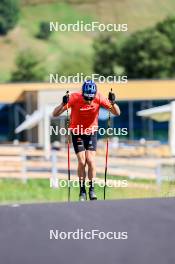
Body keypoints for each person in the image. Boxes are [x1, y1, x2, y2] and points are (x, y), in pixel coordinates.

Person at [53, 80, 120, 201]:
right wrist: (63, 104)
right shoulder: (74, 97)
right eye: (86, 98)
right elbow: (55, 113)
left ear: (94, 95)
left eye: (91, 98)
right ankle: (82, 190)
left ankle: (92, 189)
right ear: (82, 93)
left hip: (91, 132)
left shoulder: (99, 97)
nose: (89, 101)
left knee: (91, 161)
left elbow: (117, 112)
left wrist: (113, 103)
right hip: (77, 132)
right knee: (82, 161)